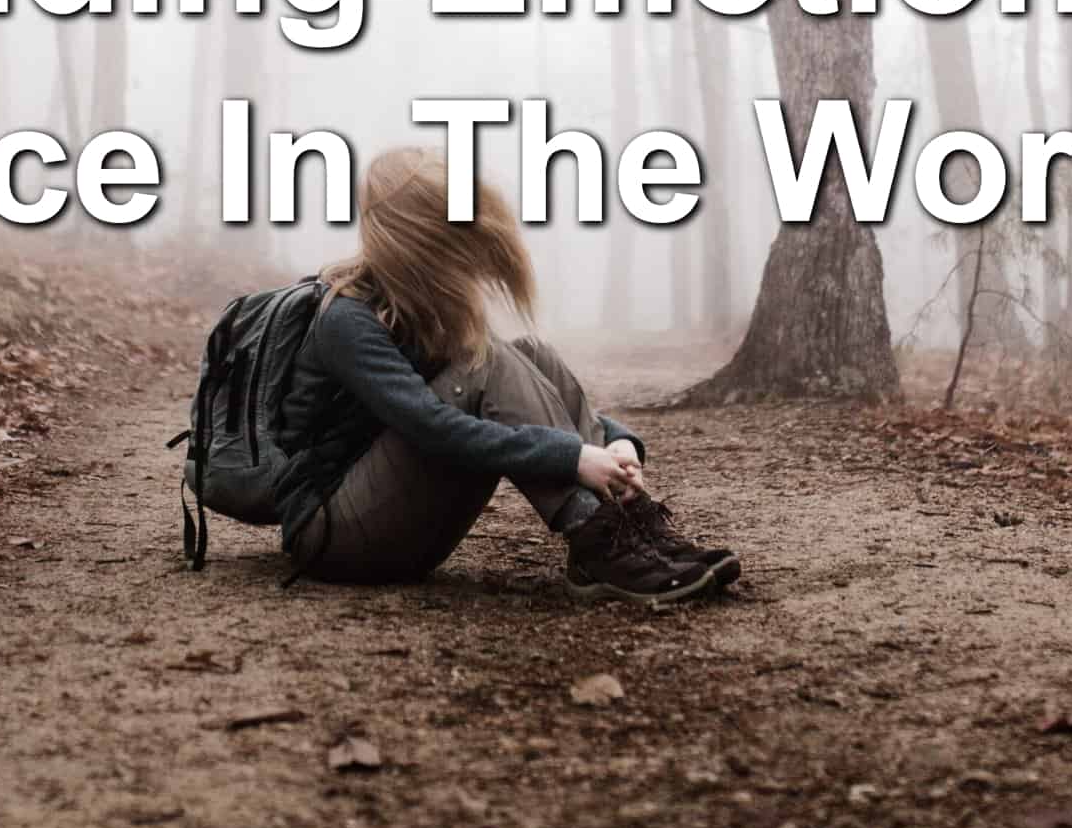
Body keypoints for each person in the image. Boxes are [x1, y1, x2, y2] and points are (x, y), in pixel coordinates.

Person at [272, 146, 738, 602]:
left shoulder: (423, 306)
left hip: (393, 523)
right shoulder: (347, 318)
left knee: (531, 352)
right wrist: (572, 457)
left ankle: (634, 529)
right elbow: (431, 427)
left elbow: (525, 397)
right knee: (488, 361)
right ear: (411, 236)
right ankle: (597, 542)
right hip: (334, 536)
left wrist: (617, 442)